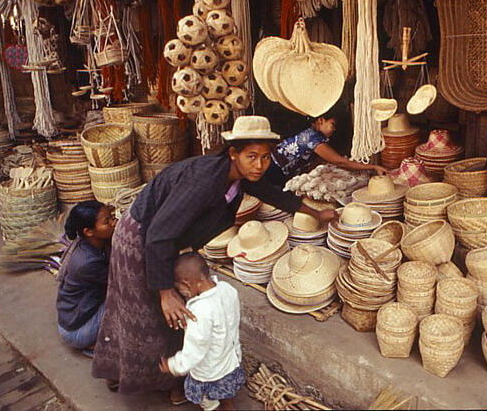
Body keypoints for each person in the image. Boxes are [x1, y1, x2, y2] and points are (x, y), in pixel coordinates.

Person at [92, 116, 336, 402]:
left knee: (154, 312)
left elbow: (270, 193)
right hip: (141, 239)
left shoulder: (238, 175)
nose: (259, 165)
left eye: (266, 158)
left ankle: (130, 372)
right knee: (150, 313)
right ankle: (159, 381)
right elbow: (158, 234)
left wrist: (316, 213)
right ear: (233, 154)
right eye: (252, 157)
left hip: (162, 238)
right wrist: (165, 292)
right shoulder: (205, 180)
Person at [159, 252, 244, 411]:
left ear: (188, 283)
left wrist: (174, 365)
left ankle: (212, 408)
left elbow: (196, 348)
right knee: (227, 393)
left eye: (180, 288)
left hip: (208, 371)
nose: (182, 293)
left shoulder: (199, 310)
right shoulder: (228, 290)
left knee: (206, 401)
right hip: (231, 361)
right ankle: (228, 407)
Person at [265, 109, 387, 187]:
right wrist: (372, 167)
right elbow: (340, 162)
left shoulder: (314, 134)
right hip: (272, 170)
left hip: (275, 169)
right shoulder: (312, 138)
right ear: (321, 120)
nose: (334, 129)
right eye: (332, 124)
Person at [56, 200, 116, 357]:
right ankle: (94, 344)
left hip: (72, 319)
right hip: (77, 331)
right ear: (89, 231)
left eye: (112, 217)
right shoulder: (87, 262)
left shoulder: (92, 243)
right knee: (127, 299)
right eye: (106, 222)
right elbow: (119, 282)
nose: (113, 223)